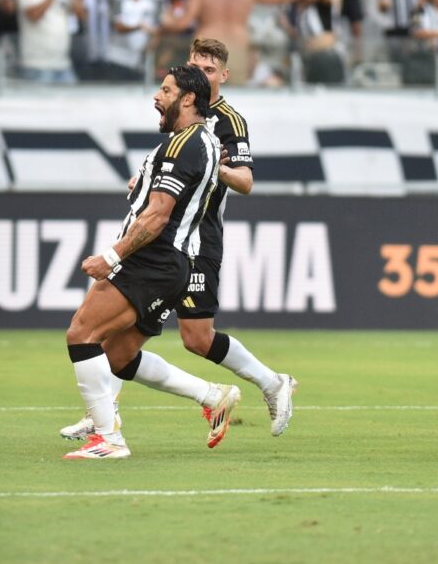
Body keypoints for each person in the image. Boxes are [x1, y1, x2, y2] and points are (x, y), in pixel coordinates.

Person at [61, 39, 297, 445]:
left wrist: (202, 172)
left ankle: (271, 382)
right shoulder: (181, 128)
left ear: (221, 76)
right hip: (170, 239)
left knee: (192, 337)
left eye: (208, 70)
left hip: (192, 240)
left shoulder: (223, 124)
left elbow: (245, 181)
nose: (199, 75)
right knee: (127, 346)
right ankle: (106, 412)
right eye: (195, 67)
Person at [63, 64, 241, 460]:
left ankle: (109, 440)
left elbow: (159, 214)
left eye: (165, 90)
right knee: (118, 357)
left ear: (188, 98)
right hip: (174, 266)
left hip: (152, 260)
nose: (157, 97)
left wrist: (111, 256)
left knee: (81, 333)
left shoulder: (184, 145)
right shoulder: (205, 142)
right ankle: (212, 395)